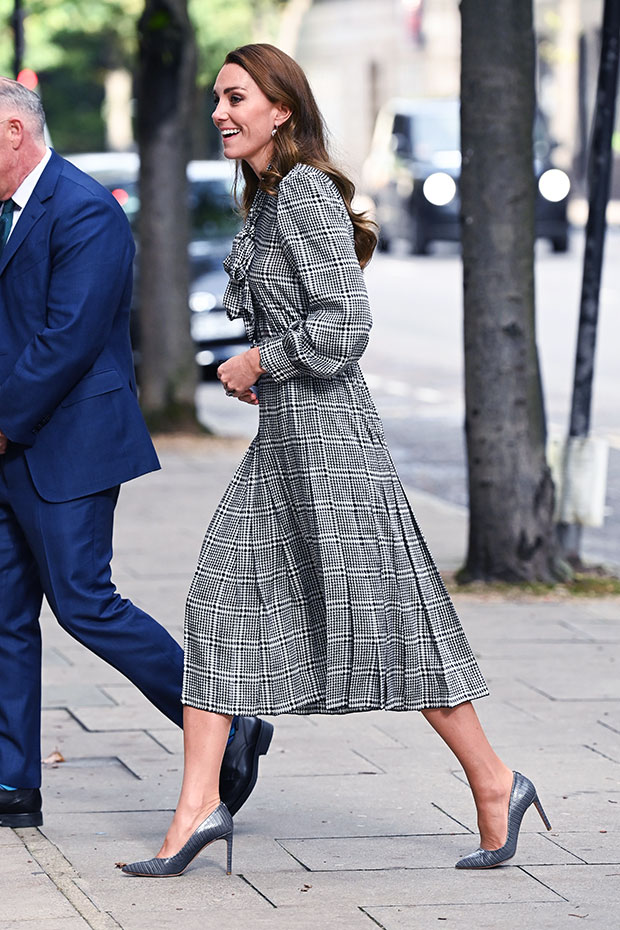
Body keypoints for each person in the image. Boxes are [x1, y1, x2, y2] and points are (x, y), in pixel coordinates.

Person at [121, 43, 551, 879]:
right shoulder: (271, 201)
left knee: (392, 622)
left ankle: (496, 780)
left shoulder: (307, 194)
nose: (221, 111)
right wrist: (264, 372)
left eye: (236, 97)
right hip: (285, 443)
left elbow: (345, 328)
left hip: (333, 447)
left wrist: (261, 362)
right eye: (218, 97)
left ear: (281, 109)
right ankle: (197, 806)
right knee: (219, 599)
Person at [0, 77, 272, 830]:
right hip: (8, 443)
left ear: (14, 133)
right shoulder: (3, 213)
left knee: (85, 605)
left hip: (68, 446)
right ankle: (11, 785)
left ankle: (227, 722)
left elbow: (69, 339)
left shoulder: (84, 209)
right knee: (4, 616)